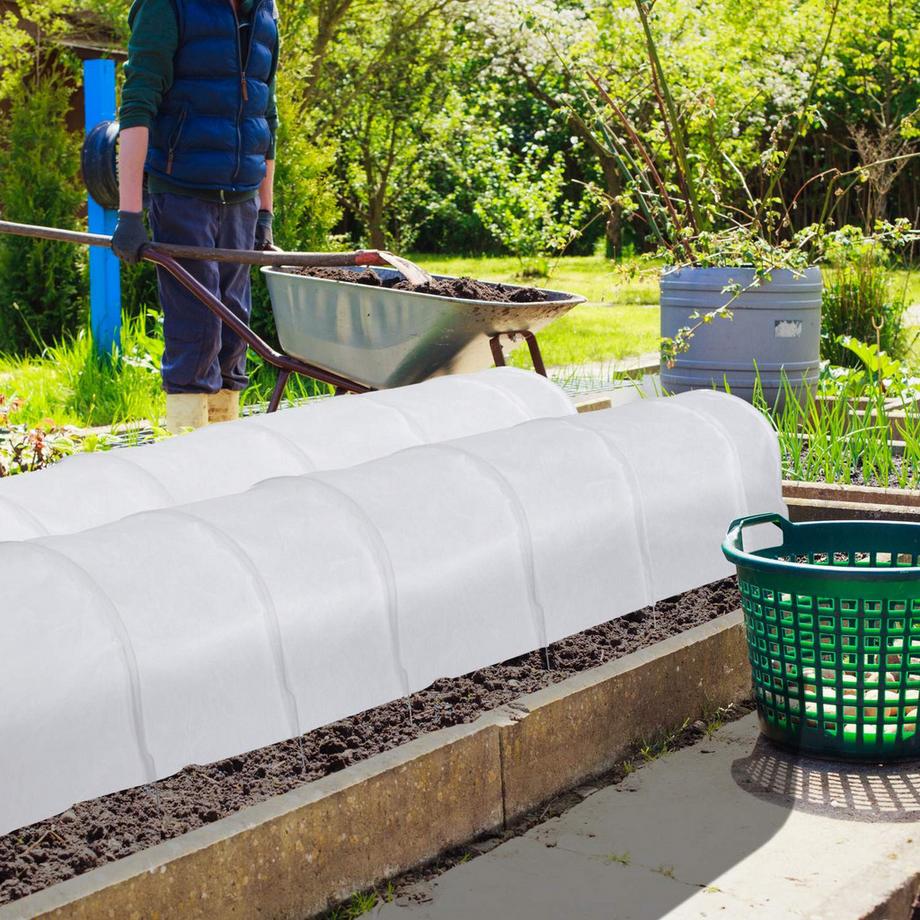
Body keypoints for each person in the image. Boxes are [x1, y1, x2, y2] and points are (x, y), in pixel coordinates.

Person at [111, 0, 279, 432]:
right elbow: (137, 105)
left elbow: (266, 111)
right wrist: (129, 213)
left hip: (242, 198)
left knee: (235, 330)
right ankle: (187, 447)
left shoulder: (265, 10)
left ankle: (224, 444)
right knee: (195, 328)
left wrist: (265, 211)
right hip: (182, 192)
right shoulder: (167, 6)